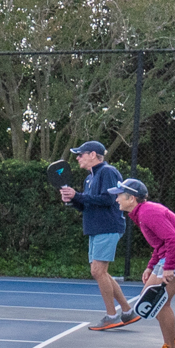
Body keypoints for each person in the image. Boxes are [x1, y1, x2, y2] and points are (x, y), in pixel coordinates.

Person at [110, 178, 175, 348]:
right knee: (149, 299)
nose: (117, 199)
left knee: (158, 302)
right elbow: (160, 244)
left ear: (132, 198)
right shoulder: (141, 213)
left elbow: (173, 239)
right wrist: (151, 266)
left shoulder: (148, 212)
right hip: (172, 256)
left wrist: (168, 268)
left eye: (119, 195)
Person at [58, 141, 132, 329]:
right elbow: (86, 205)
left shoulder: (107, 172)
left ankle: (111, 316)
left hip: (107, 226)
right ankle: (127, 311)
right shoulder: (89, 178)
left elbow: (109, 199)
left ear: (92, 154)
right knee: (101, 272)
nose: (77, 157)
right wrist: (72, 200)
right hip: (96, 228)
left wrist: (78, 195)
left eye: (80, 154)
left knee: (97, 271)